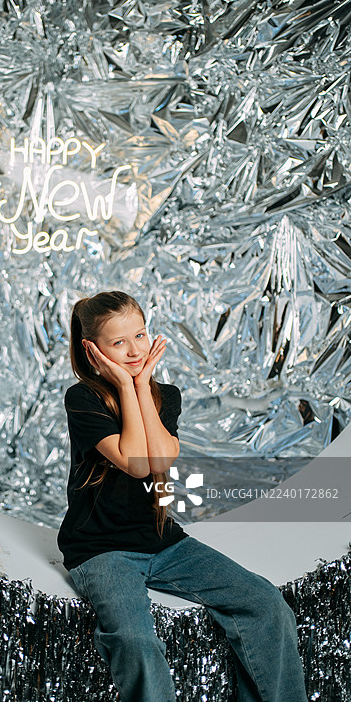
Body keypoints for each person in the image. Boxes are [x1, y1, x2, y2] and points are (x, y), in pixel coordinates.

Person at [57, 290, 309, 702]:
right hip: (101, 551)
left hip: (164, 542)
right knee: (137, 641)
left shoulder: (165, 396)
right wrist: (124, 382)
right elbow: (136, 463)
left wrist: (140, 385)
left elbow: (159, 458)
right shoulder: (84, 398)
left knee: (267, 605)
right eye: (119, 343)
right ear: (92, 350)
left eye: (140, 335)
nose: (135, 349)